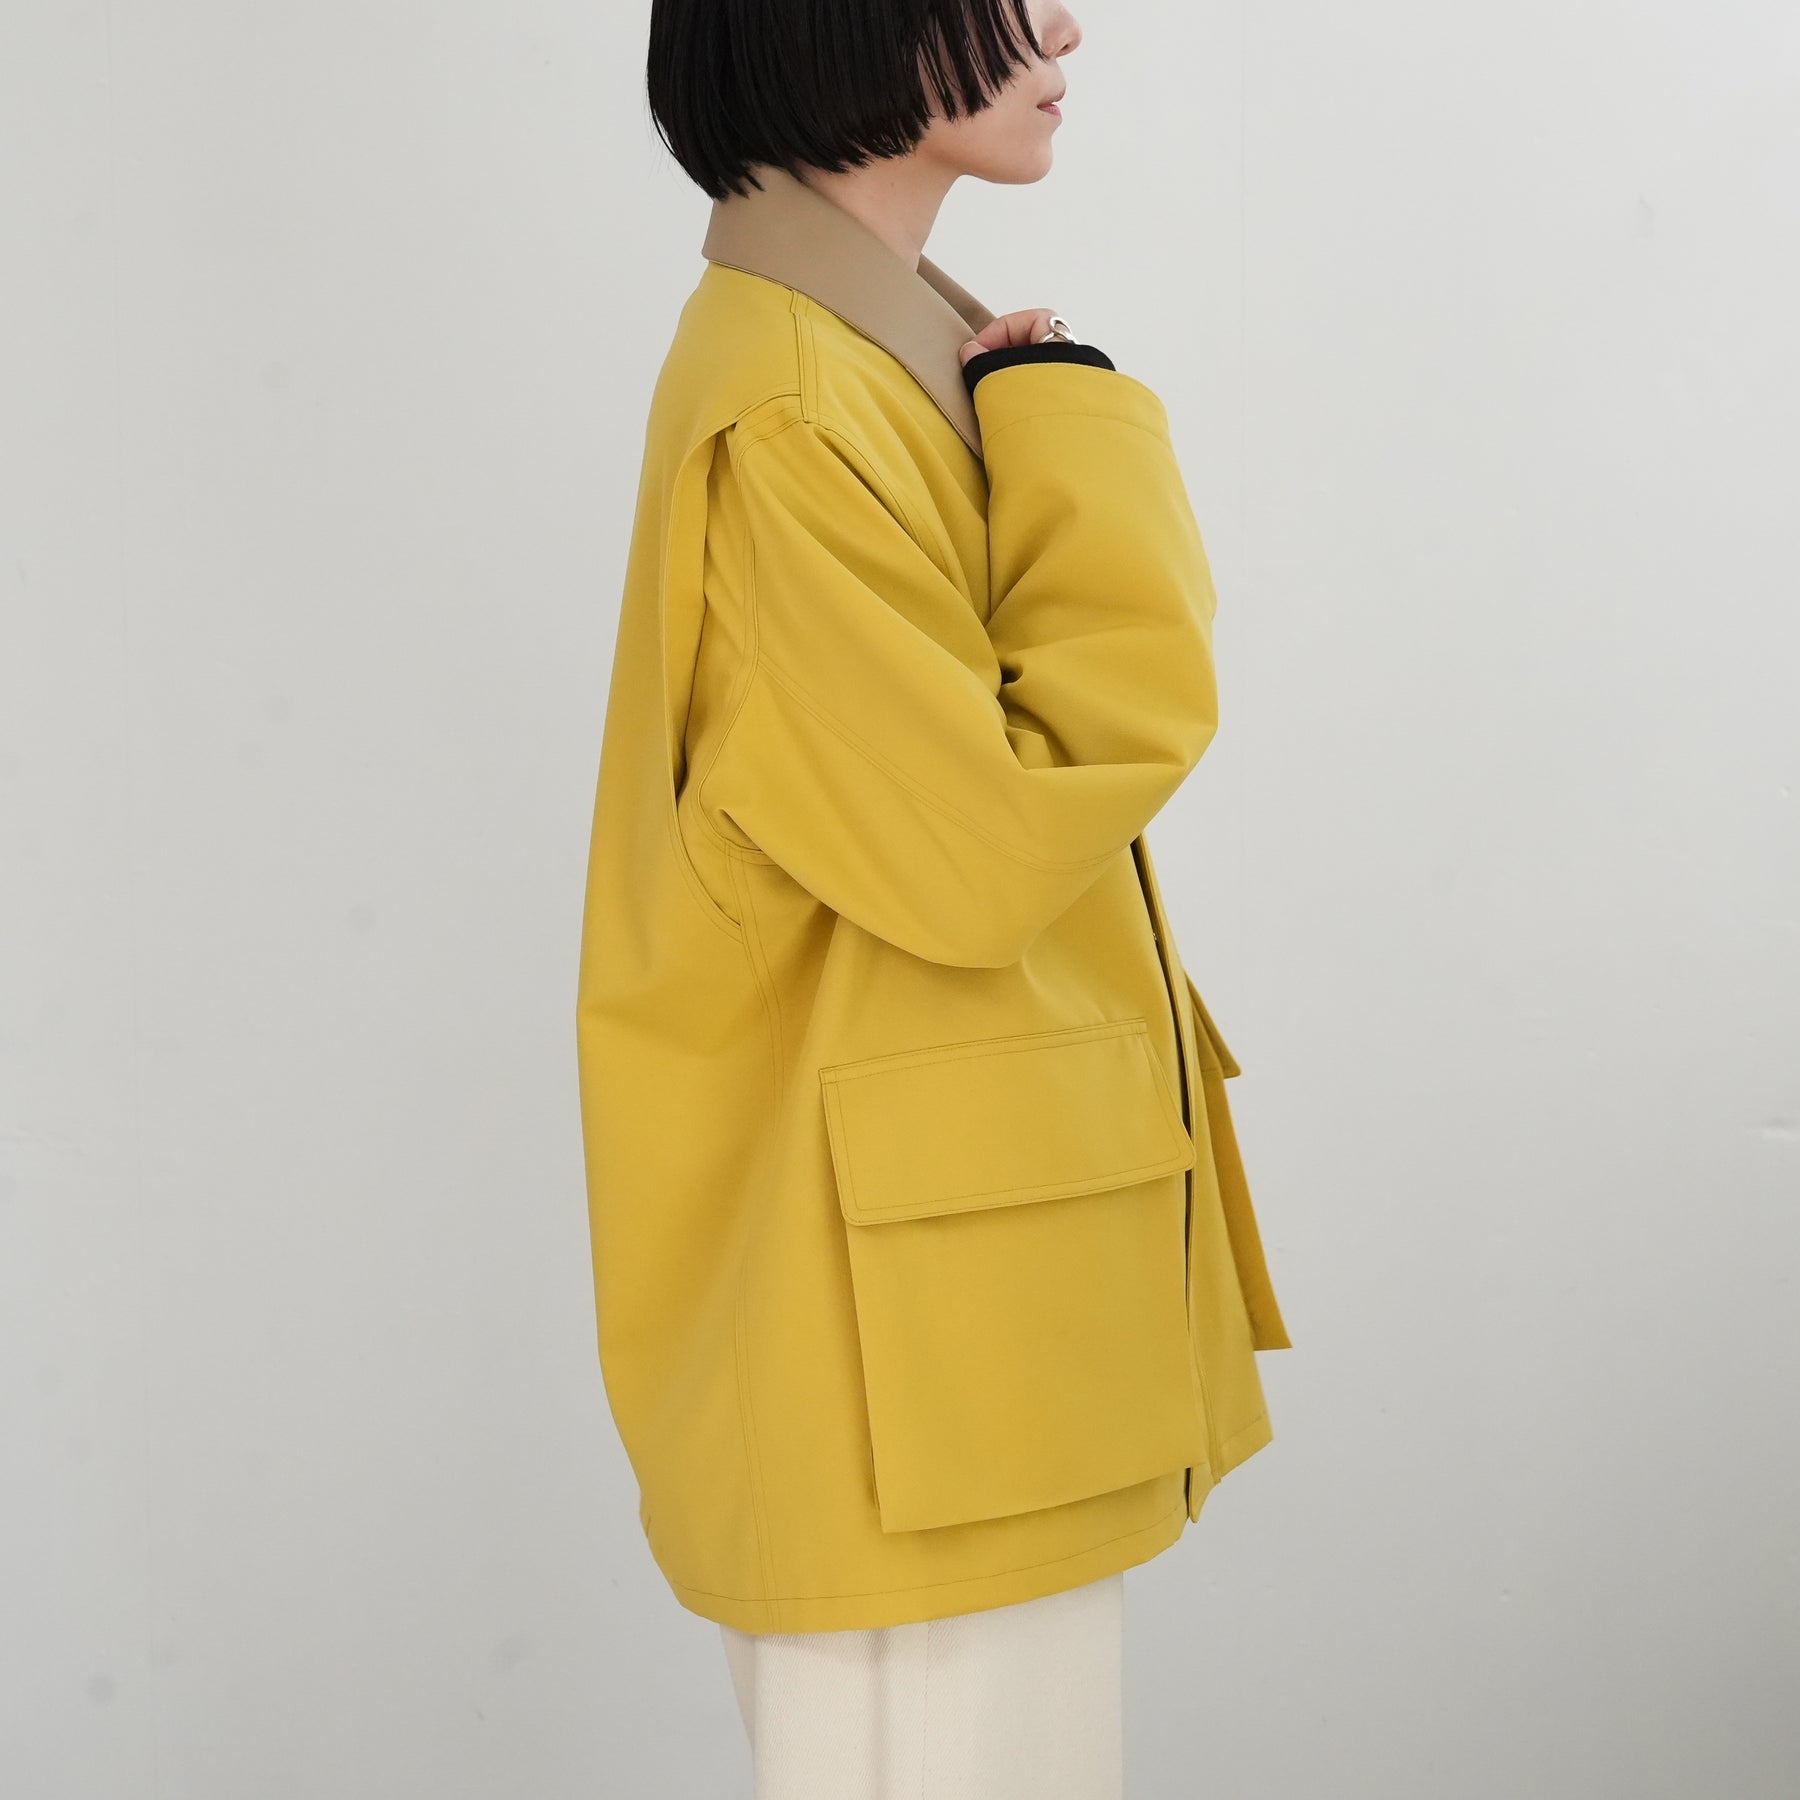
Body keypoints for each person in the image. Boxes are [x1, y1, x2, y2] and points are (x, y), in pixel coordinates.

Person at [575, 0, 1293, 1790]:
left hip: (946, 1339)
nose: (1064, 23)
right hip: (902, 1364)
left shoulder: (857, 358)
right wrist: (1083, 446)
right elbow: (979, 851)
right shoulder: (798, 408)